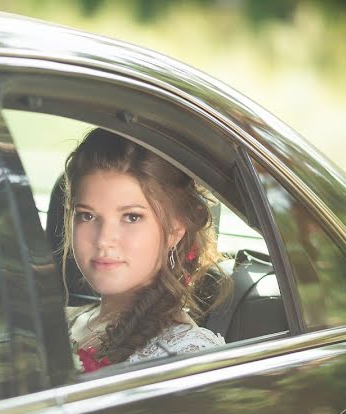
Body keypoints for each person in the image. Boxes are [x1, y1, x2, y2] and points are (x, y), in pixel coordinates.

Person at [63, 128, 228, 372]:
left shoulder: (183, 358)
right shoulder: (65, 320)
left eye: (131, 217)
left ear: (175, 228)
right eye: (87, 216)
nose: (104, 240)